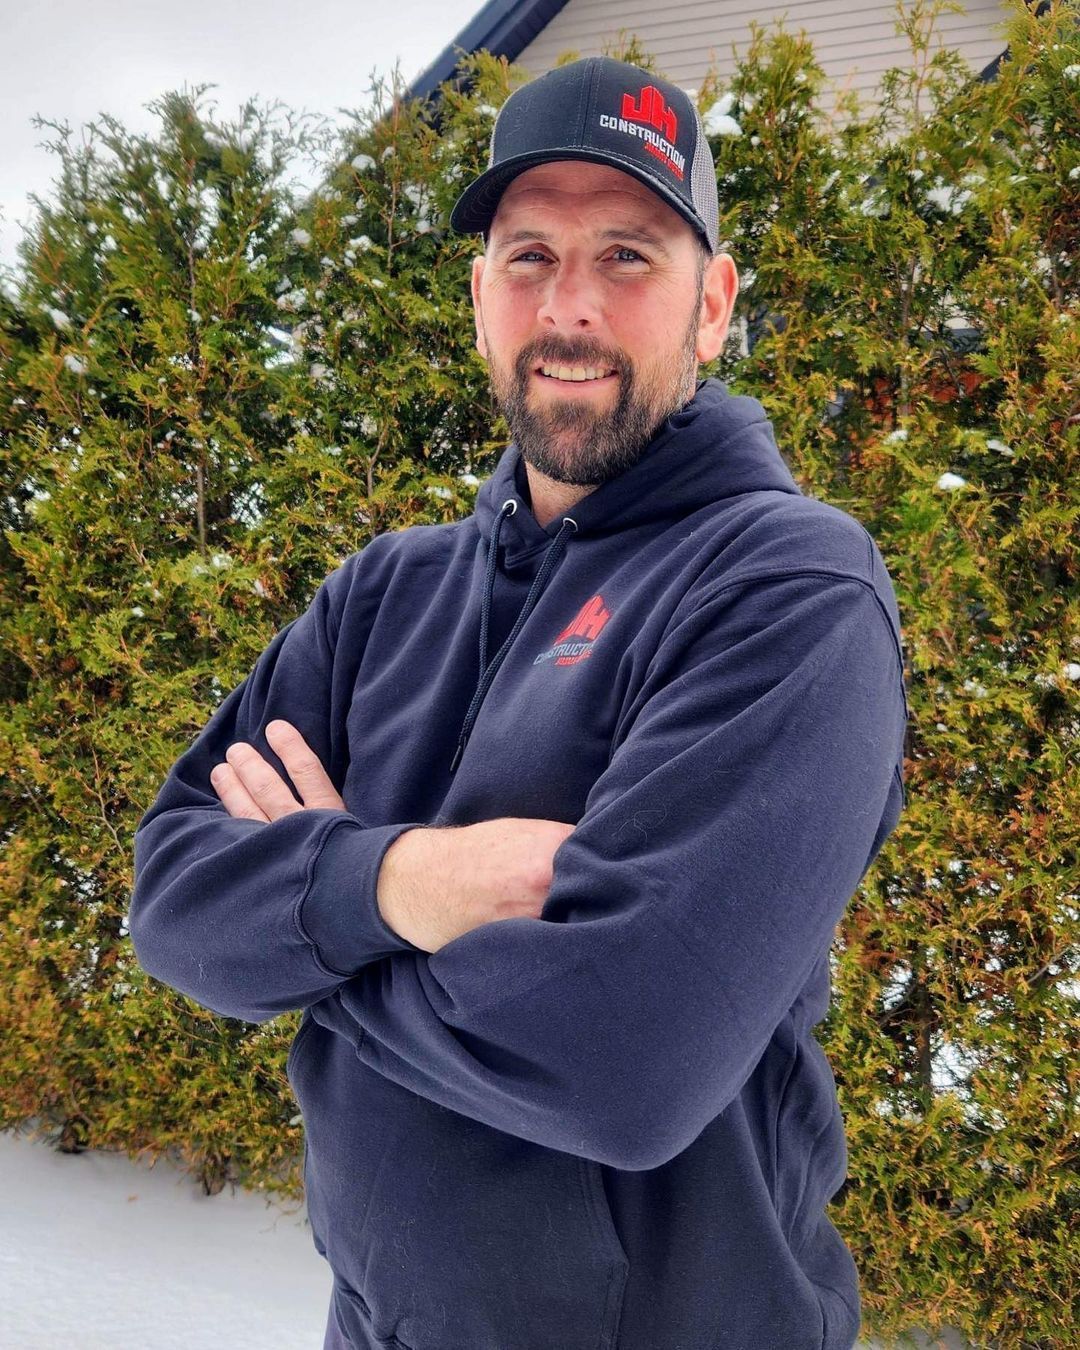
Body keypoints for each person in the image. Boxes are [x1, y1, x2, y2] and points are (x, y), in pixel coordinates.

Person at [128, 55, 909, 1350]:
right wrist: (403, 886)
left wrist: (313, 929)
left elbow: (624, 1062)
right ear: (481, 298)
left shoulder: (789, 589)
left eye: (628, 257)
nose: (571, 306)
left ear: (714, 306)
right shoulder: (387, 591)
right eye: (530, 255)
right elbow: (170, 896)